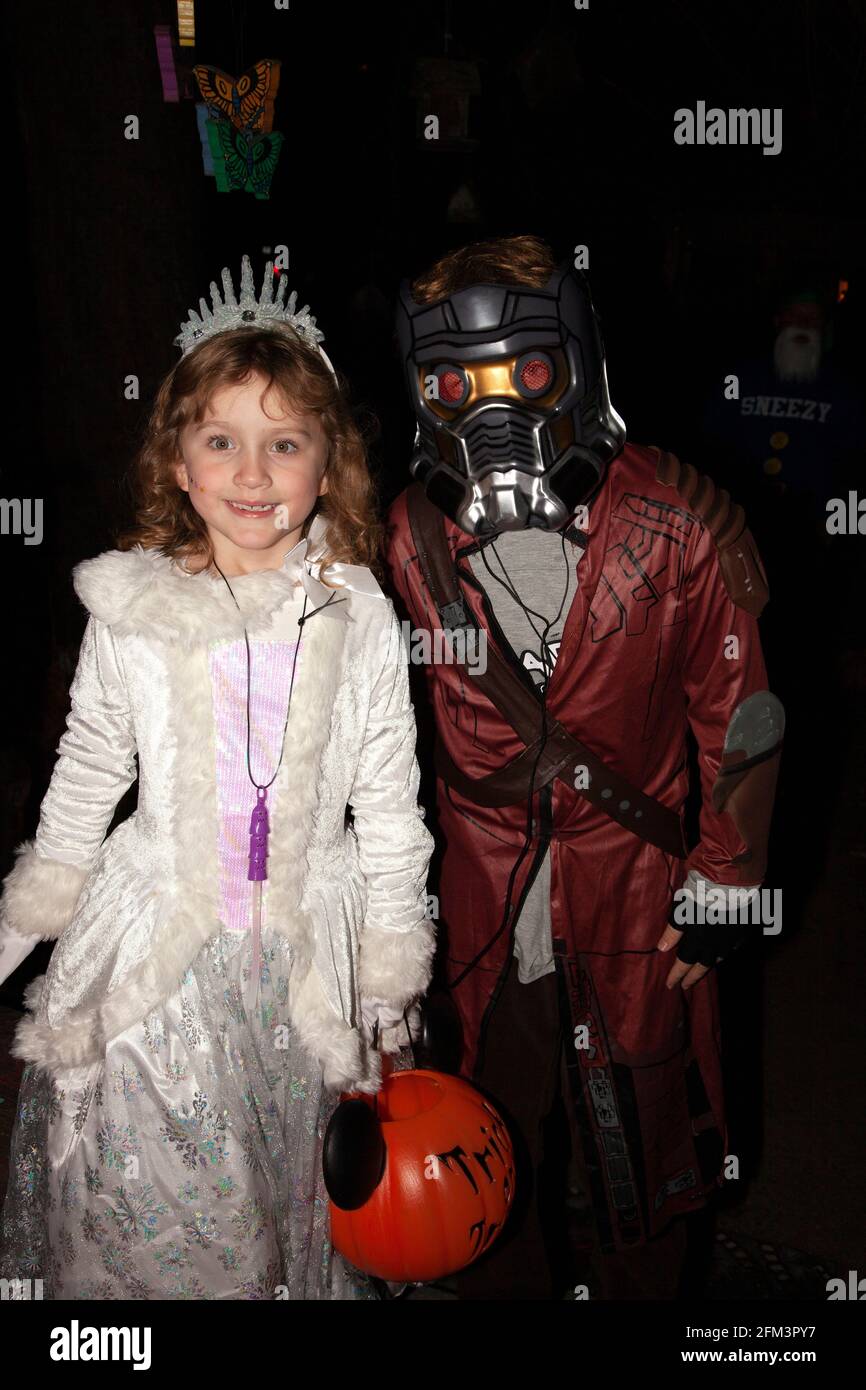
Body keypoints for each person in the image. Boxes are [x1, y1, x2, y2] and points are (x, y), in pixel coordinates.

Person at [0, 255, 435, 1300]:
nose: (251, 473)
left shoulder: (359, 615)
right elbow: (88, 769)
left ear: (326, 465)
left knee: (291, 1197)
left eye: (283, 444)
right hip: (158, 957)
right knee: (170, 1206)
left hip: (299, 968)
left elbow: (387, 805)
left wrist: (388, 975)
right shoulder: (132, 610)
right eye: (221, 442)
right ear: (179, 466)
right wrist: (21, 922)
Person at [384, 234, 784, 1300]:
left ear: (578, 360)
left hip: (634, 890)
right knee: (479, 1139)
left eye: (521, 375)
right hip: (485, 896)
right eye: (449, 384)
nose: (491, 413)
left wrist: (724, 884)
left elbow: (738, 716)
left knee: (641, 1142)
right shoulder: (404, 541)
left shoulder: (677, 529)